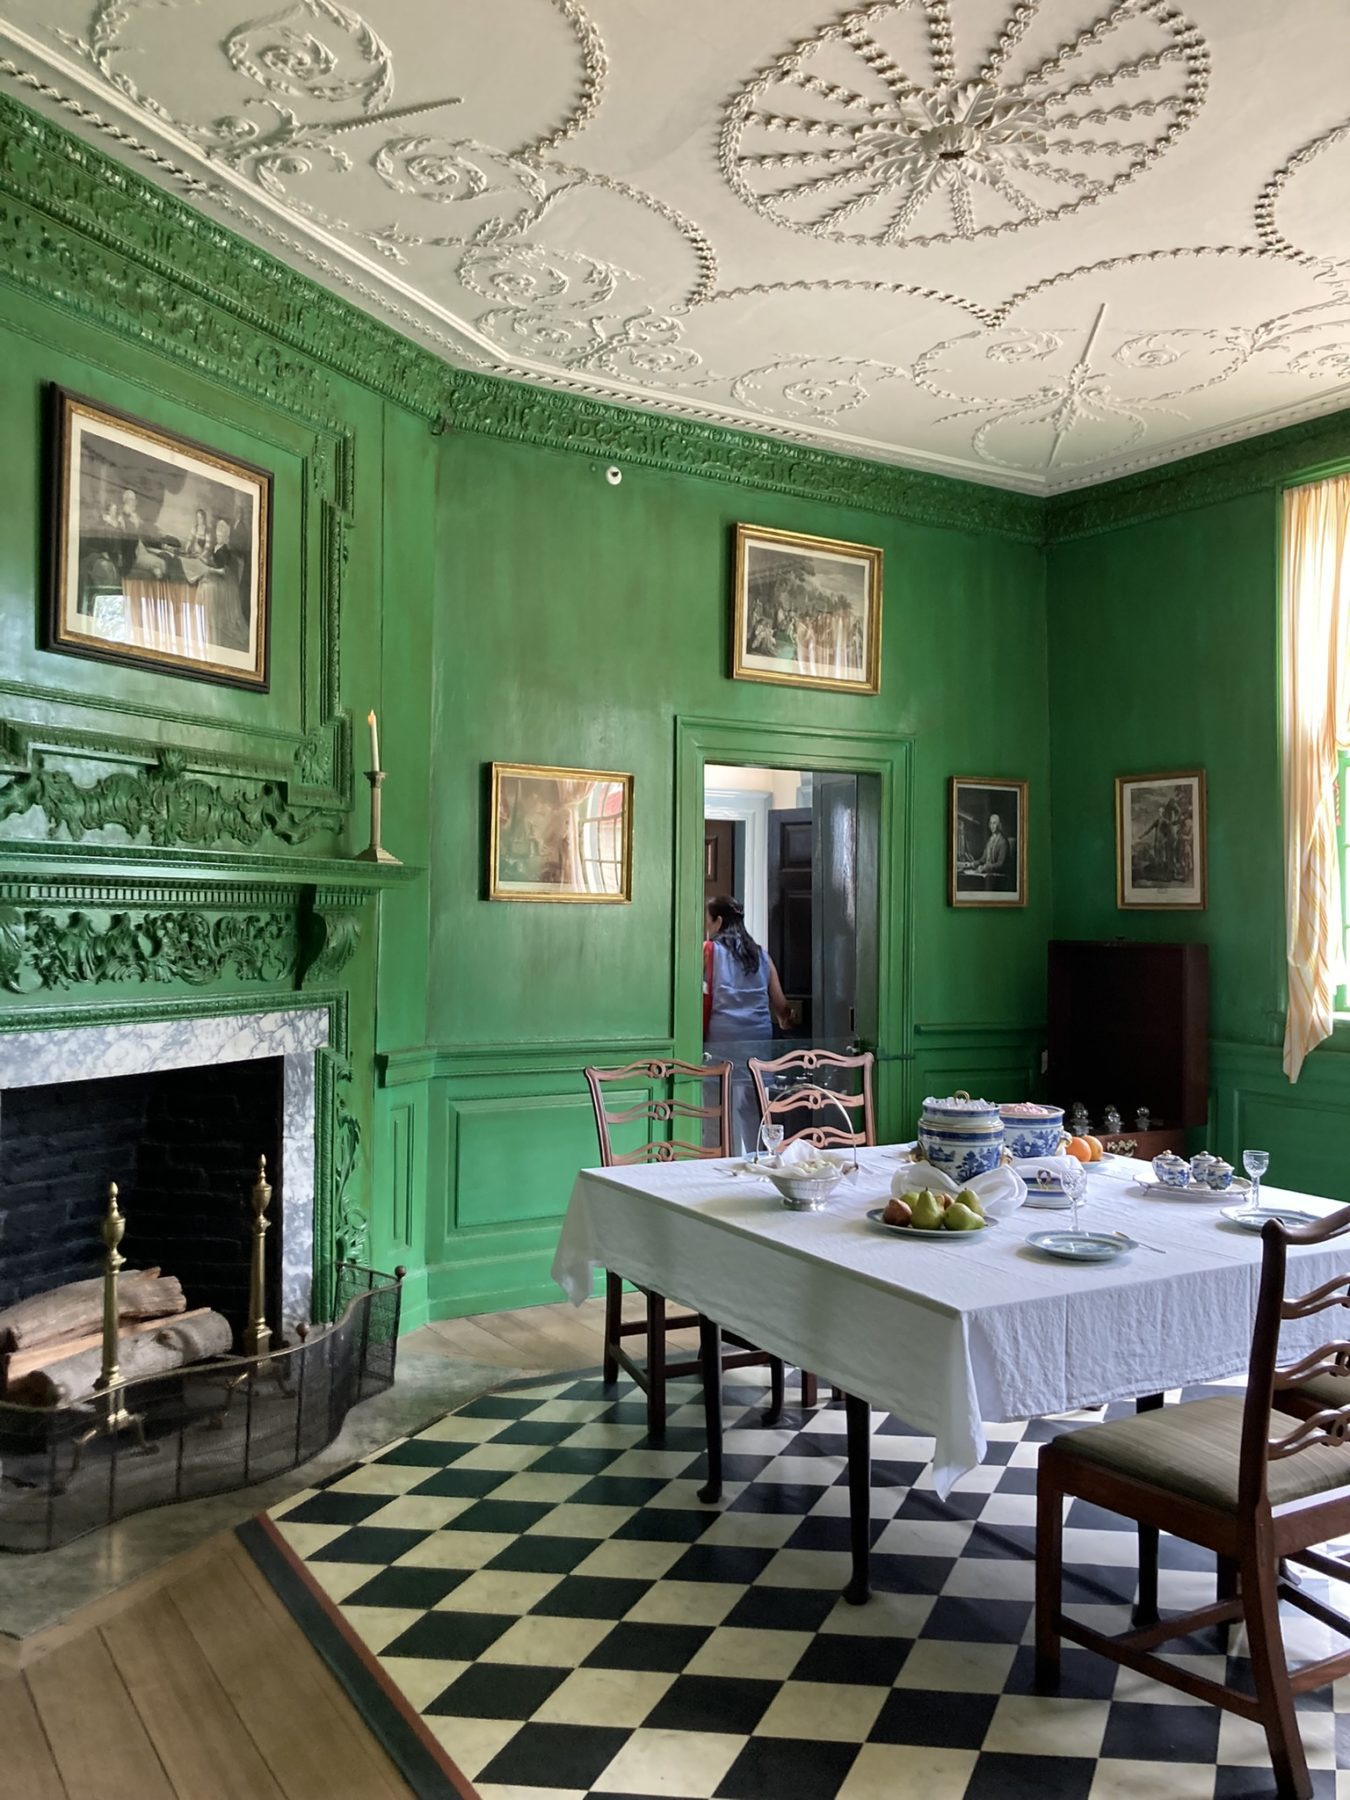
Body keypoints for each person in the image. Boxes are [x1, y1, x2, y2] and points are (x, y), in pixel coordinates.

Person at [703, 895, 792, 1153]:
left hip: (721, 1041)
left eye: (708, 921)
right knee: (753, 1108)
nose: (707, 927)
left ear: (718, 921)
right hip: (758, 1042)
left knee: (717, 1109)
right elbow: (782, 1008)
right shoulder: (762, 956)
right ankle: (760, 1159)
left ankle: (721, 1163)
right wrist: (789, 1020)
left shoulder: (709, 951)